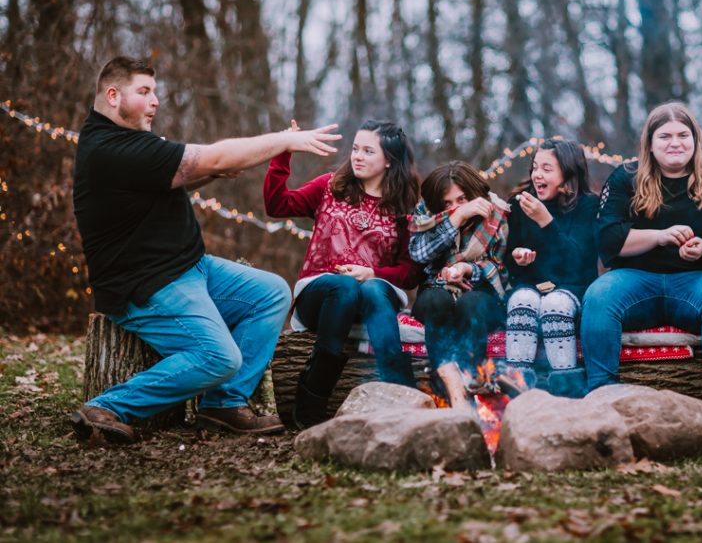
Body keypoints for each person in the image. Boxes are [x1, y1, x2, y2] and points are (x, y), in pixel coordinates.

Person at [71, 56, 342, 445]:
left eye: (155, 92)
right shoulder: (111, 149)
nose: (155, 101)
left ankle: (224, 405)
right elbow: (210, 157)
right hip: (145, 286)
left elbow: (169, 183)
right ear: (113, 96)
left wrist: (211, 171)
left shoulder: (129, 142)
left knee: (271, 292)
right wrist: (284, 141)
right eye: (144, 92)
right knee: (219, 357)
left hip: (189, 268)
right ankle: (107, 407)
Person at [581, 102, 702, 416]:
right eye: (665, 136)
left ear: (696, 139)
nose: (675, 143)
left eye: (683, 135)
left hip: (698, 283)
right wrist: (659, 236)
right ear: (649, 143)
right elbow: (606, 237)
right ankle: (602, 396)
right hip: (635, 282)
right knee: (598, 295)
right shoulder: (625, 177)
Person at [263, 119, 420, 428]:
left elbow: (411, 272)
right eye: (355, 149)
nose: (357, 156)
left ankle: (401, 394)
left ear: (389, 160)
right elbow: (276, 205)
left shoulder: (405, 206)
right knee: (344, 288)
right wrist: (283, 152)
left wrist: (371, 272)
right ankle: (312, 400)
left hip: (375, 296)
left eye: (368, 151)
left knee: (372, 289)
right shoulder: (330, 186)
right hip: (321, 295)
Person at [503, 140, 598, 396]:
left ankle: (567, 388)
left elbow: (578, 263)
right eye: (535, 167)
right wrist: (517, 256)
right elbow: (510, 263)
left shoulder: (589, 206)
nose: (537, 175)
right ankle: (517, 387)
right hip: (531, 286)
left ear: (568, 173)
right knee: (521, 299)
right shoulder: (521, 204)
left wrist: (546, 221)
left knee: (555, 303)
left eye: (547, 168)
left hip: (572, 288)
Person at [408, 162, 509, 394]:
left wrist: (469, 269)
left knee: (471, 304)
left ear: (474, 194)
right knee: (436, 301)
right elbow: (419, 253)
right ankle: (442, 379)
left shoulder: (497, 214)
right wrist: (457, 217)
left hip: (481, 295)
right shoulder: (425, 214)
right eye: (447, 203)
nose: (454, 207)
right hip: (436, 292)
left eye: (461, 200)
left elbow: (502, 270)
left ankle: (475, 375)